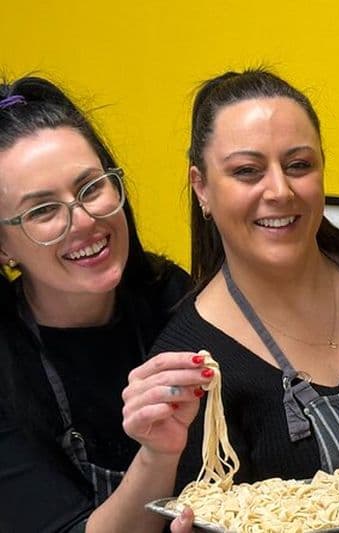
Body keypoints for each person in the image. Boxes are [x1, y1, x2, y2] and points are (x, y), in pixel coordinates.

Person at [121, 67, 339, 505]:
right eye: (247, 171)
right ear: (201, 188)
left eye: (299, 165)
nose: (279, 190)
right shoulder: (193, 363)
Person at [0, 76, 197, 532]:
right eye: (43, 210)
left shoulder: (171, 295)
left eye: (91, 188)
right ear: (4, 247)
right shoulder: (9, 364)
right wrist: (158, 453)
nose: (85, 220)